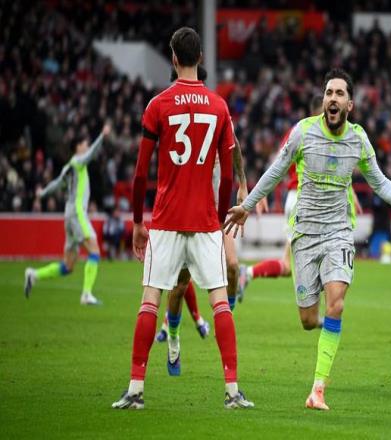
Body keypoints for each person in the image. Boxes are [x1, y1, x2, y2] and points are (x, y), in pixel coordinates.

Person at [225, 68, 391, 410]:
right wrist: (247, 205)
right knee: (308, 321)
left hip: (338, 233)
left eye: (339, 93)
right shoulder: (303, 132)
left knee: (337, 303)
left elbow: (380, 182)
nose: (332, 98)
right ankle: (324, 329)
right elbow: (276, 171)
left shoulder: (358, 139)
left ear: (350, 105)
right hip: (304, 235)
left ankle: (317, 390)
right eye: (329, 92)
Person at [112, 27, 253, 410]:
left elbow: (140, 173)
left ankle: (136, 390)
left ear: (174, 59)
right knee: (220, 303)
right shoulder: (219, 107)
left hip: (166, 221)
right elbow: (228, 175)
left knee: (150, 301)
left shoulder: (157, 105)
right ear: (200, 58)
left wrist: (138, 222)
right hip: (205, 222)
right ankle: (232, 392)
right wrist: (219, 218)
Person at [238, 96, 362, 302]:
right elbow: (279, 163)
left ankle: (248, 273)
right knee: (311, 262)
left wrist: (351, 191)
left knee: (288, 265)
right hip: (303, 200)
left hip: (303, 200)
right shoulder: (305, 130)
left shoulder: (307, 131)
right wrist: (262, 193)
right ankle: (312, 310)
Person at [24, 123, 111, 305]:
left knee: (68, 266)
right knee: (95, 250)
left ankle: (34, 274)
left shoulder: (68, 167)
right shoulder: (78, 162)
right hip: (77, 213)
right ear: (78, 147)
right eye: (85, 143)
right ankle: (86, 294)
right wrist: (102, 136)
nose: (87, 146)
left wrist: (42, 194)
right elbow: (91, 154)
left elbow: (56, 184)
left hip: (69, 215)